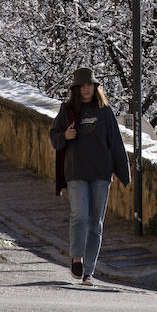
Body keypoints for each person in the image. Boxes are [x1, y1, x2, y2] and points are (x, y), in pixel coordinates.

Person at [49, 67, 130, 285]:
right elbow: (54, 137)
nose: (87, 89)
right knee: (80, 216)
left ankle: (89, 271)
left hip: (101, 174)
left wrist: (123, 173)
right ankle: (77, 258)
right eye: (83, 85)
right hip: (76, 171)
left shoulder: (104, 111)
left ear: (95, 88)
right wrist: (65, 135)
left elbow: (115, 142)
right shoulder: (67, 110)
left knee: (96, 222)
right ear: (77, 89)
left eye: (90, 85)